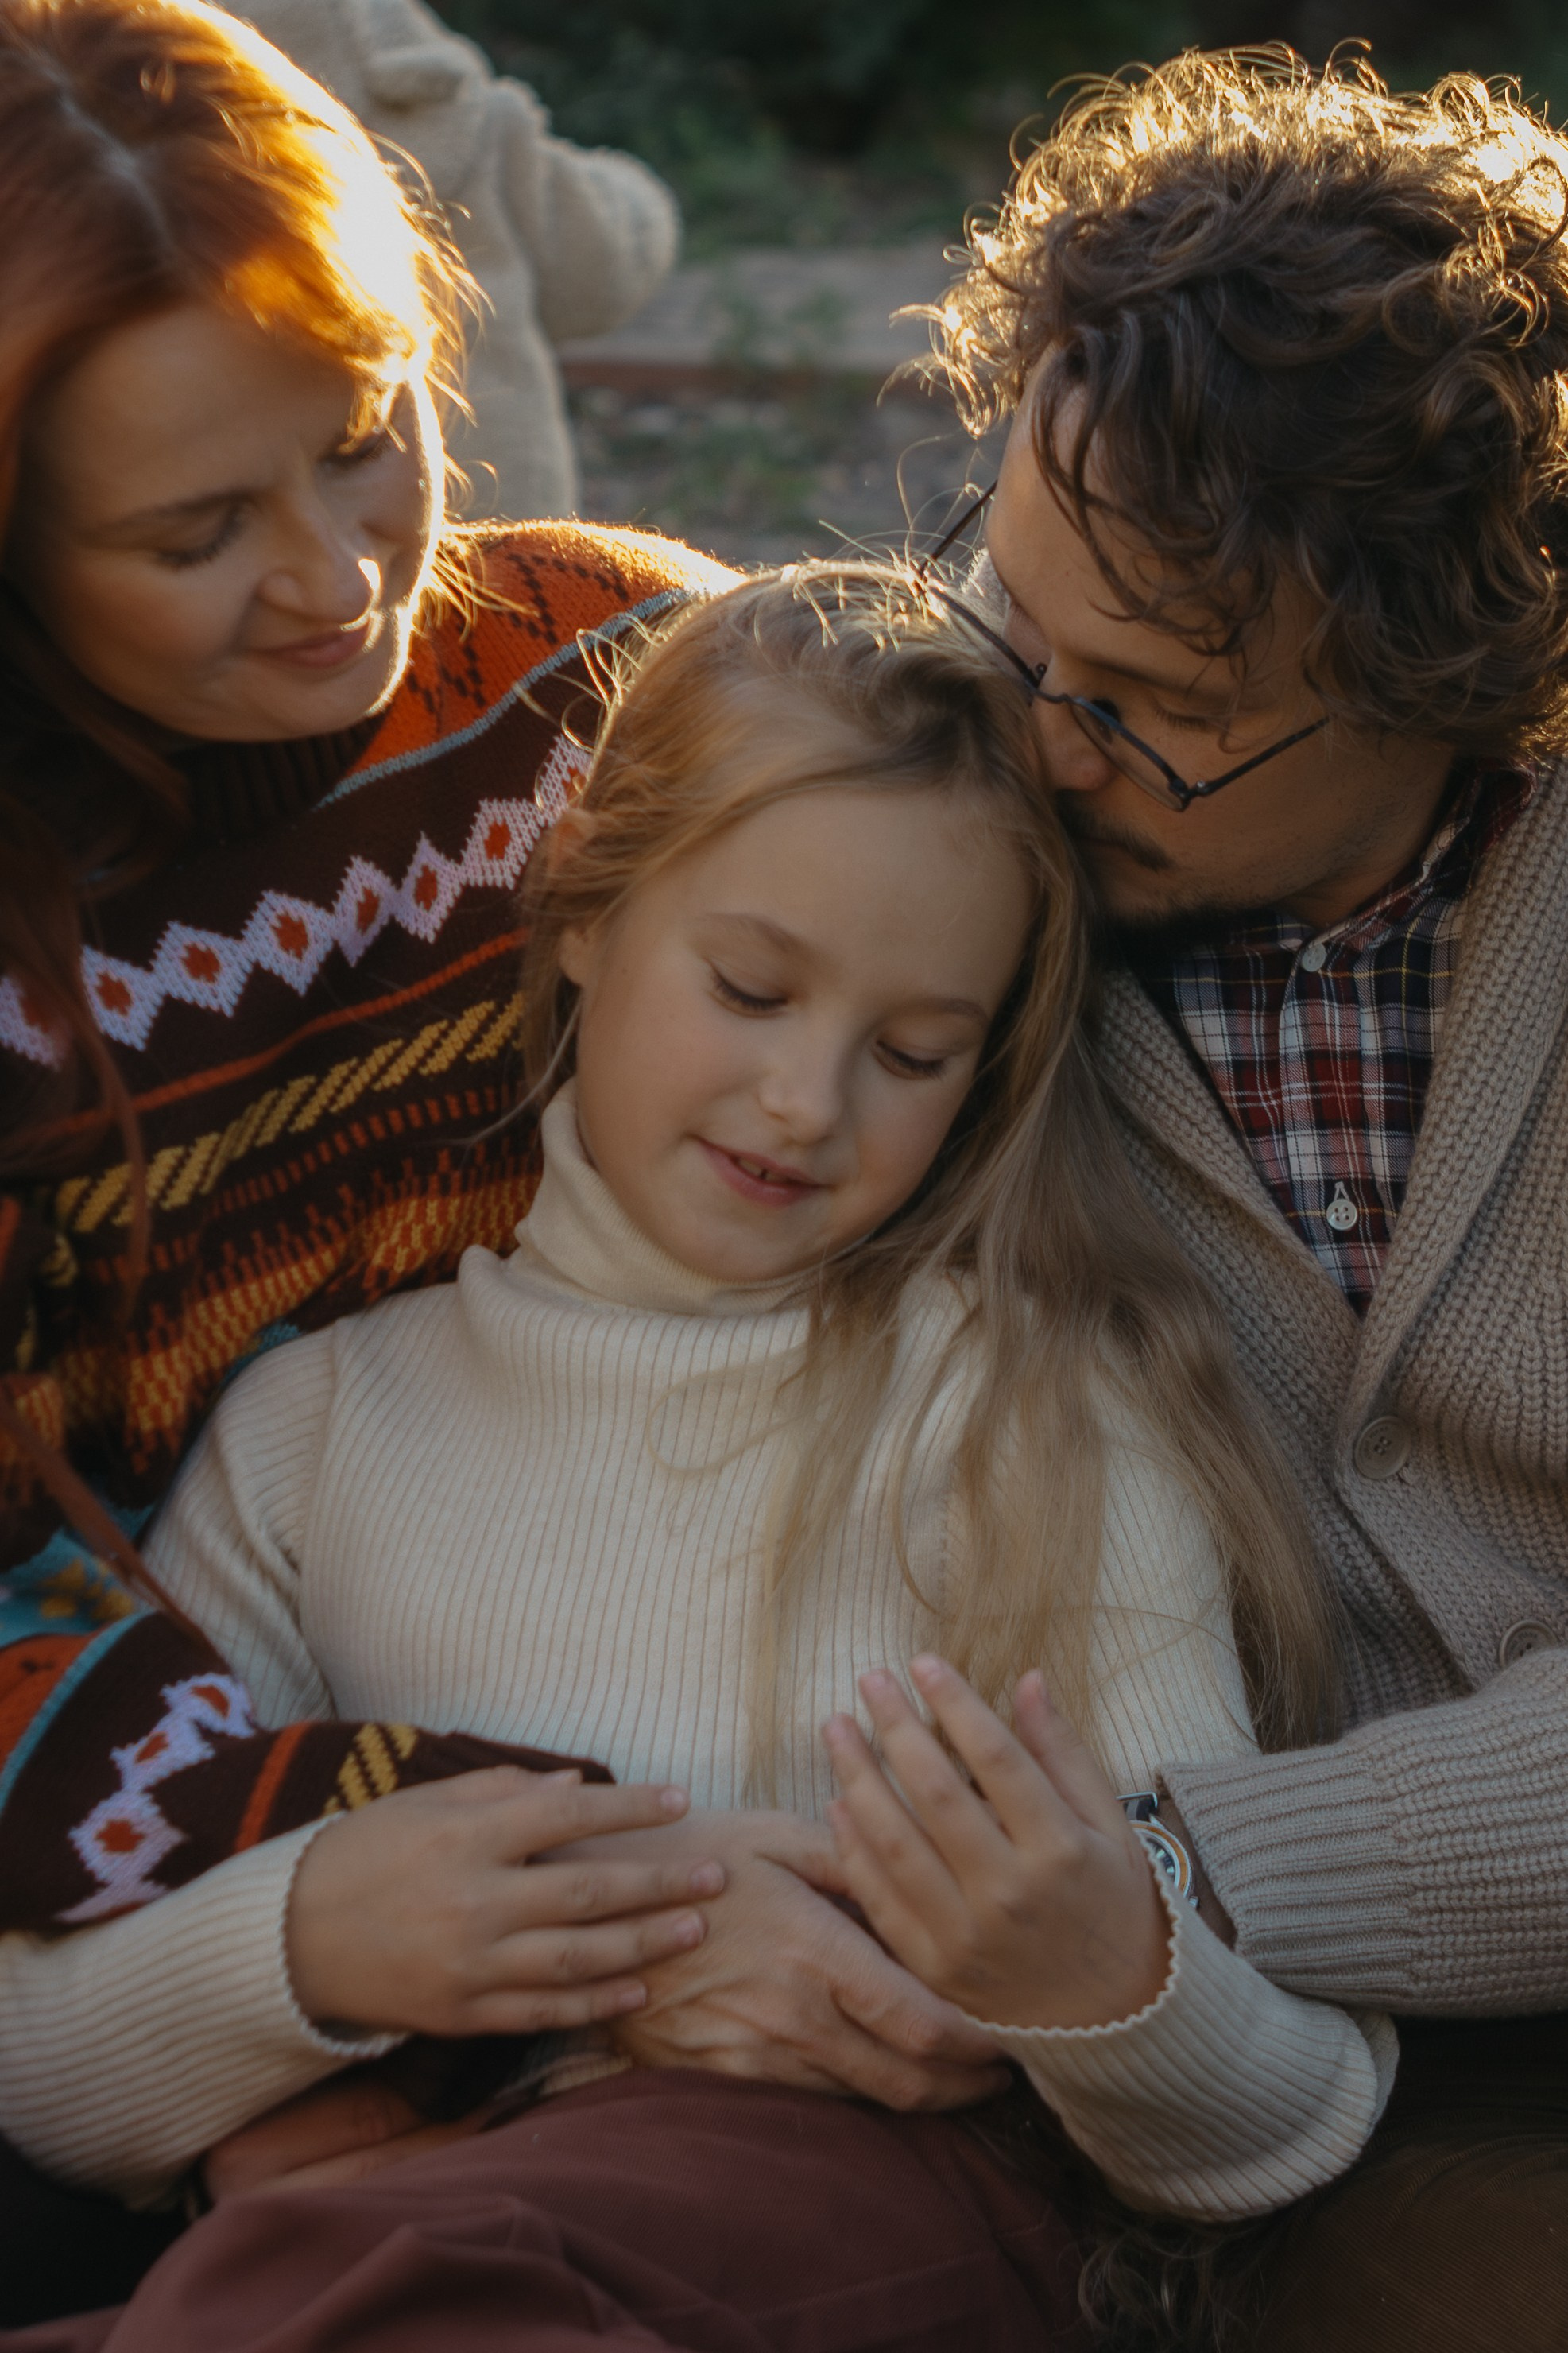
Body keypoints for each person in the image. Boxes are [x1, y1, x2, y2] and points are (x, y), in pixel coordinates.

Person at [1, 564, 1391, 2351]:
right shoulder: (313, 1432)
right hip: (426, 2223)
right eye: (747, 987)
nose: (806, 1102)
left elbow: (1278, 2120)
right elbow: (42, 2049)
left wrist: (1110, 1986)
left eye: (910, 1051)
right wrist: (310, 1942)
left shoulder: (1018, 1418)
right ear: (580, 904)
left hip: (877, 2190)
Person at [0, 0, 975, 2327]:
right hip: (139, 1841)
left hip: (653, 1663)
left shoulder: (608, 673)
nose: (339, 573)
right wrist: (340, 1902)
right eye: (188, 529)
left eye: (364, 438)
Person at [925, 45, 1568, 2351]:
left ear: (1451, 673)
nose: (1029, 740)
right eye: (1006, 625)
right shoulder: (965, 871)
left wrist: (1183, 1873)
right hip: (1173, 2068)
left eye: (1138, 703)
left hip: (1282, 1967)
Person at [234, 0, 681, 521]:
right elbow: (602, 269)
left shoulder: (152, 97)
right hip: (506, 539)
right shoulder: (419, 81)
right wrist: (638, 201)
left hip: (268, 554)